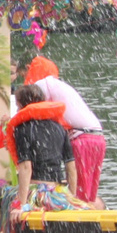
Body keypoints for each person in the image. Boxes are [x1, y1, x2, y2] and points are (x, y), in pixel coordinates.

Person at [0, 84, 89, 233]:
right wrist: (71, 196)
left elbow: (26, 167)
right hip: (57, 192)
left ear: (23, 105)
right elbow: (71, 167)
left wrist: (22, 204)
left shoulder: (23, 128)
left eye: (17, 106)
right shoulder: (59, 128)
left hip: (37, 193)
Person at [24, 56, 107, 204]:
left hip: (82, 138)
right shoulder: (60, 86)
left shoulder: (42, 85)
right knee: (89, 193)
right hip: (98, 137)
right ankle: (91, 220)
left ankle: (77, 221)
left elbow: (32, 111)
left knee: (79, 193)